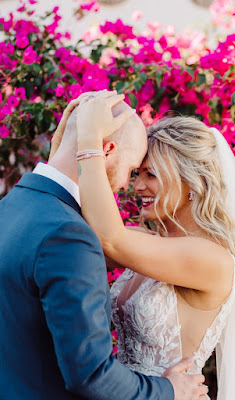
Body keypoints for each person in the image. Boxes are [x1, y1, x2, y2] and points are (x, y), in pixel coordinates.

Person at [0, 91, 208, 400]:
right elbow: (92, 375)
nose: (128, 185)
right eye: (131, 170)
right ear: (105, 150)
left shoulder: (11, 205)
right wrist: (169, 390)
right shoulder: (69, 235)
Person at [61, 90, 235, 399]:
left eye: (151, 174)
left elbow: (110, 239)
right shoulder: (148, 242)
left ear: (190, 181)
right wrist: (63, 142)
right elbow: (76, 239)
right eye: (137, 172)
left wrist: (90, 142)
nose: (137, 185)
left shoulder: (212, 258)